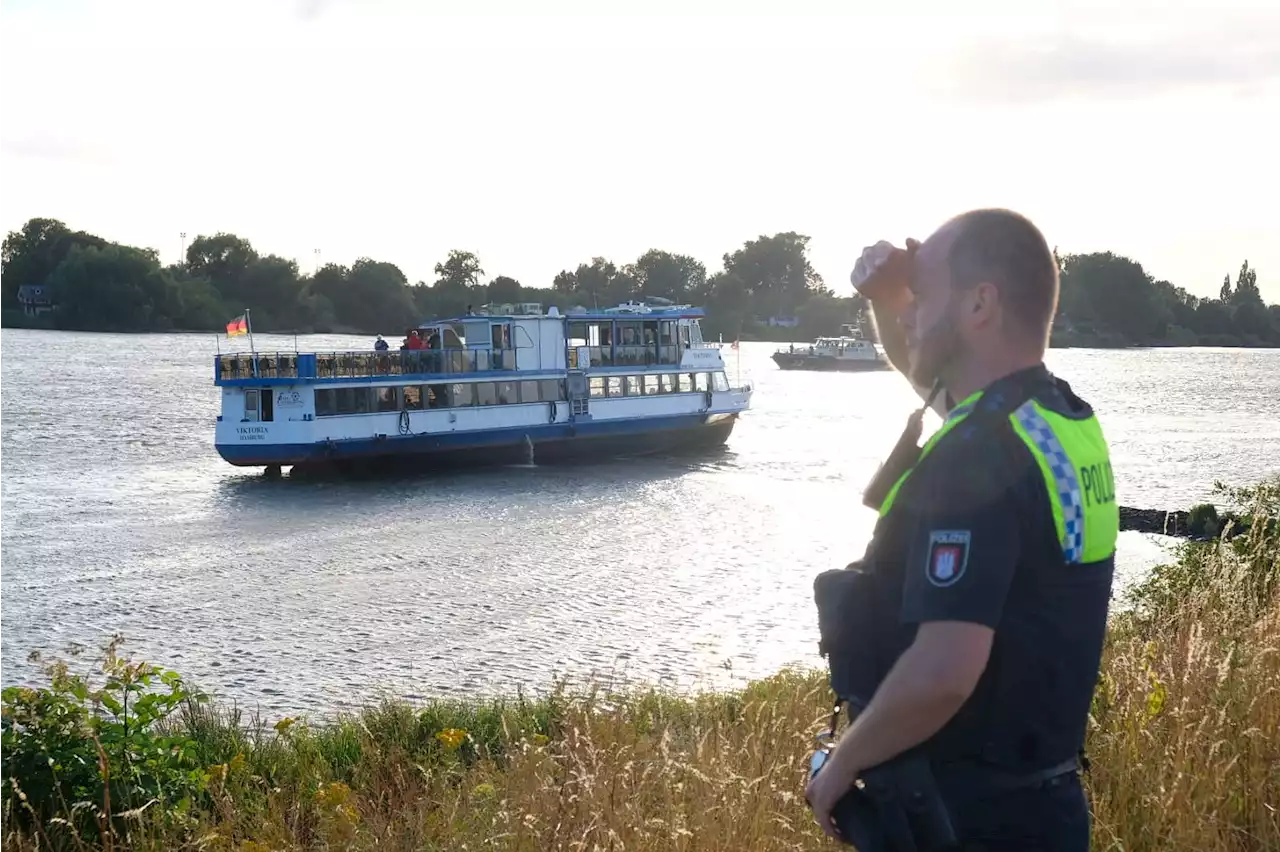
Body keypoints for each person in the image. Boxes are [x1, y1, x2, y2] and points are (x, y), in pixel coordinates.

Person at [805, 208, 1118, 850]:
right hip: (1043, 806)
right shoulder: (1053, 420)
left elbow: (946, 669)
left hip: (971, 821)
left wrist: (842, 763)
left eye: (925, 297)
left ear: (980, 304)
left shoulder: (977, 455)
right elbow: (935, 378)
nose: (910, 315)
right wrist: (896, 294)